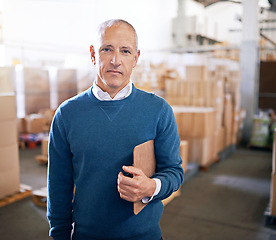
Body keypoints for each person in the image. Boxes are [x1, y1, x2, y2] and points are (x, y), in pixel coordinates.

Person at [47, 19, 184, 240]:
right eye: (107, 49)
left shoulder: (158, 110)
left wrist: (150, 187)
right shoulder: (67, 115)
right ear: (93, 54)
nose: (115, 60)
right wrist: (60, 235)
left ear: (136, 58)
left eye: (125, 51)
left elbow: (174, 172)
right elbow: (58, 186)